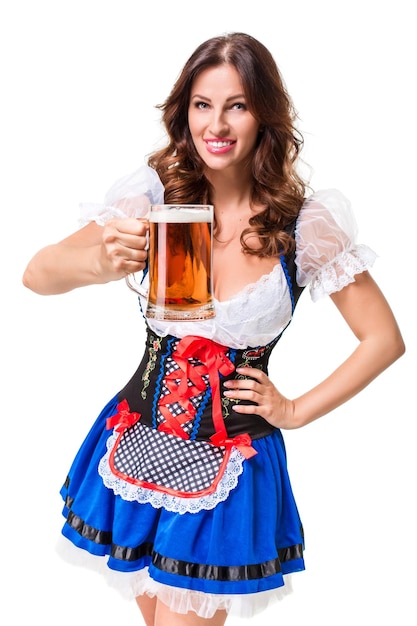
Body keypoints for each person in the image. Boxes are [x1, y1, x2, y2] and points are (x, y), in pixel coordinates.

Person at [22, 32, 405, 626]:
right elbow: (36, 275)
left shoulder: (302, 227)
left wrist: (296, 409)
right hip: (136, 443)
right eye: (203, 104)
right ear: (185, 112)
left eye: (238, 104)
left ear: (264, 116)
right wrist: (101, 260)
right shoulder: (156, 200)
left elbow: (384, 339)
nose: (216, 123)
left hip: (229, 463)